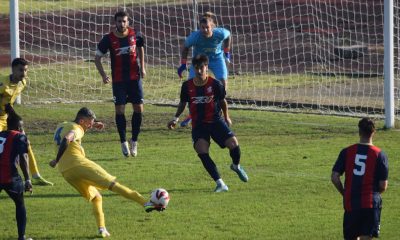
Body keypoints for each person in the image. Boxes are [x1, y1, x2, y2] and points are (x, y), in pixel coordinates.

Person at [49, 107, 163, 238]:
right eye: (90, 122)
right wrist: (56, 160)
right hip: (79, 164)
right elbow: (67, 139)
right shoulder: (76, 129)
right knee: (113, 184)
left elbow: (64, 141)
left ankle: (101, 229)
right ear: (81, 121)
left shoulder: (62, 125)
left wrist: (93, 122)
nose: (91, 125)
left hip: (66, 172)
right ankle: (146, 203)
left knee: (97, 197)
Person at [168, 54, 248, 192]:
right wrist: (175, 118)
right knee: (201, 150)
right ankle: (220, 183)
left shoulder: (215, 84)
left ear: (207, 67)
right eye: (197, 68)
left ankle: (236, 166)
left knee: (234, 144)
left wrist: (227, 117)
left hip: (216, 121)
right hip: (199, 125)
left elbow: (222, 101)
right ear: (194, 68)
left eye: (202, 68)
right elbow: (183, 103)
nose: (199, 71)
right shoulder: (187, 86)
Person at [94, 11, 146, 157]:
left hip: (134, 79)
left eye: (124, 21)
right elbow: (97, 58)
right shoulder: (108, 39)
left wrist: (143, 67)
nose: (121, 24)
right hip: (119, 81)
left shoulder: (136, 35)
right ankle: (123, 142)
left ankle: (134, 141)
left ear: (128, 22)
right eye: (119, 21)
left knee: (139, 109)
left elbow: (141, 48)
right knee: (120, 111)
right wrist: (104, 76)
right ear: (115, 22)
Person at [331, 118, 389, 240]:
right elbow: (383, 186)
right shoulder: (379, 154)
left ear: (359, 131)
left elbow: (335, 177)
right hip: (370, 204)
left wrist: (344, 192)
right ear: (374, 132)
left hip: (351, 203)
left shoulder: (347, 152)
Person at [0, 57, 53, 186]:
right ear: (13, 69)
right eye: (20, 70)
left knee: (25, 142)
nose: (24, 73)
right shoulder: (2, 84)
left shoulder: (22, 83)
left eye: (26, 70)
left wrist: (13, 117)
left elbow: (9, 103)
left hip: (7, 118)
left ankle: (35, 176)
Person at [177, 12, 232, 127]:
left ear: (212, 27)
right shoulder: (195, 36)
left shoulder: (220, 33)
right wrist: (183, 64)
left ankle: (218, 109)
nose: (205, 30)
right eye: (202, 28)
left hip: (216, 59)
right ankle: (192, 114)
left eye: (207, 27)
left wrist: (226, 52)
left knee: (222, 84)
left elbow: (228, 36)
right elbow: (185, 47)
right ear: (200, 28)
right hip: (200, 61)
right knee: (191, 85)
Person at [0, 109, 33, 240]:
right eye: (22, 126)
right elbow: (24, 157)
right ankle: (21, 237)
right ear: (19, 127)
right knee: (19, 204)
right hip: (10, 177)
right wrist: (27, 180)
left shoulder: (1, 134)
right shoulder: (19, 136)